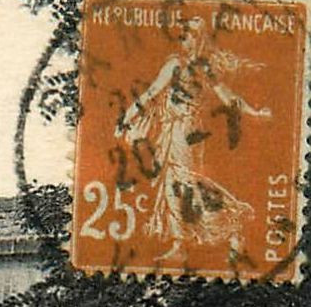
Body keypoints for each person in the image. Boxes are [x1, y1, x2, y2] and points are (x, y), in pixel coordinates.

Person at [114, 16, 272, 263]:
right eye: (182, 35)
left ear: (197, 39)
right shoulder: (202, 66)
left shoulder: (180, 65)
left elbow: (153, 93)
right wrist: (254, 112)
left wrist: (126, 117)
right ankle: (182, 244)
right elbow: (226, 97)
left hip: (182, 131)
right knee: (174, 184)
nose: (182, 39)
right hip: (185, 130)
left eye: (187, 35)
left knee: (186, 183)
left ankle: (232, 226)